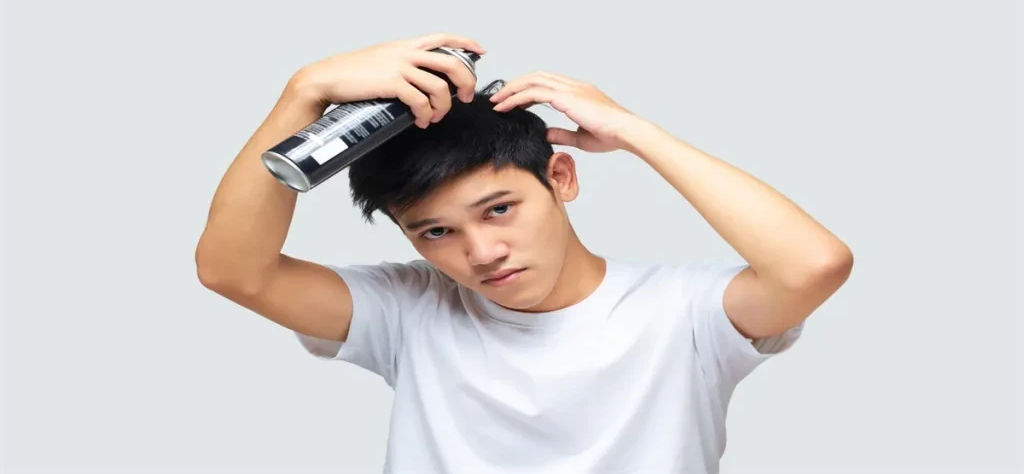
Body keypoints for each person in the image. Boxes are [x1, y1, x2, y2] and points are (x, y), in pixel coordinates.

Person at [195, 32, 854, 473]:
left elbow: (814, 264)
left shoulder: (684, 312)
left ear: (561, 179)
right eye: (435, 232)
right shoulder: (408, 309)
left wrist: (634, 131)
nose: (482, 252)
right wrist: (303, 92)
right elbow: (232, 270)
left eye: (499, 209)